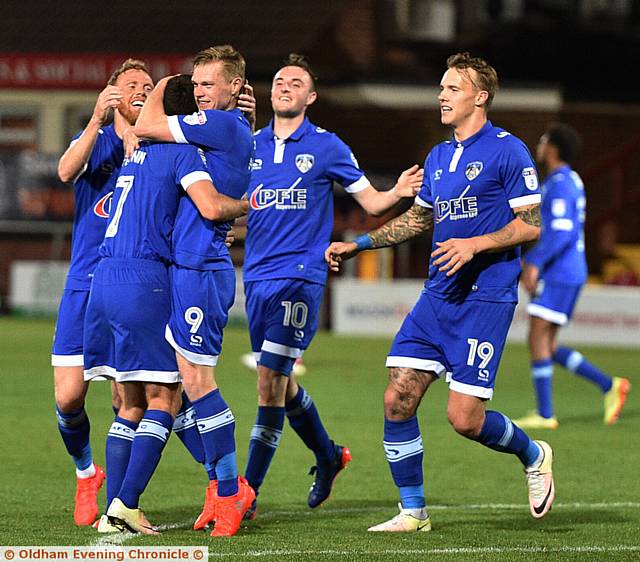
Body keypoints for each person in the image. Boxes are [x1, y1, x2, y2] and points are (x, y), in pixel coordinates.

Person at [326, 52, 555, 532]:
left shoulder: (508, 151)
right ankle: (414, 511)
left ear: (480, 96)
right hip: (438, 296)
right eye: (442, 87)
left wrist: (475, 244)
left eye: (453, 88)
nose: (442, 95)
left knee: (465, 420)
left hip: (485, 299)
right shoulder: (438, 156)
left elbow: (530, 226)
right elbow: (419, 218)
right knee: (397, 397)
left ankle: (533, 453)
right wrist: (360, 243)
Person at [241, 53, 423, 518]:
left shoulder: (326, 145)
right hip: (257, 277)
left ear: (310, 96)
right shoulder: (252, 146)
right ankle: (327, 453)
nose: (284, 86)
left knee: (268, 383)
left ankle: (246, 494)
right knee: (280, 386)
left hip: (301, 278)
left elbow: (373, 201)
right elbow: (242, 207)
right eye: (279, 80)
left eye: (295, 82)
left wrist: (398, 192)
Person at [83, 74, 250, 535]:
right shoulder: (181, 153)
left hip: (104, 279)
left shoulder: (133, 154)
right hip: (146, 278)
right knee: (167, 396)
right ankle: (131, 504)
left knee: (128, 401)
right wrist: (250, 204)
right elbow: (212, 207)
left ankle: (114, 509)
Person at [130, 45, 256, 536]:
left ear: (234, 88)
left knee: (197, 381)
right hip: (185, 267)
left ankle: (230, 492)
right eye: (195, 84)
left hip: (202, 267)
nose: (198, 92)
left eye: (208, 84)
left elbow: (143, 126)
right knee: (180, 383)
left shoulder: (221, 125)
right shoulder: (219, 128)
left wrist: (164, 83)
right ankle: (220, 487)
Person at [53, 59, 153, 527]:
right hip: (84, 284)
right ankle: (85, 472)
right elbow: (65, 170)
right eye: (130, 83)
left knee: (125, 396)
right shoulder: (98, 141)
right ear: (111, 93)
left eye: (147, 85)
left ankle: (121, 502)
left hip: (128, 286)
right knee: (70, 398)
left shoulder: (158, 145)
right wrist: (96, 119)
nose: (140, 89)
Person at [513, 123, 631, 429]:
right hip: (567, 269)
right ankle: (610, 386)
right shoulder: (565, 180)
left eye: (542, 140)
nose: (538, 145)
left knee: (537, 336)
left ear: (553, 148)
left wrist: (535, 261)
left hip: (560, 270)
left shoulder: (561, 182)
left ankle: (545, 413)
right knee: (548, 346)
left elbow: (562, 232)